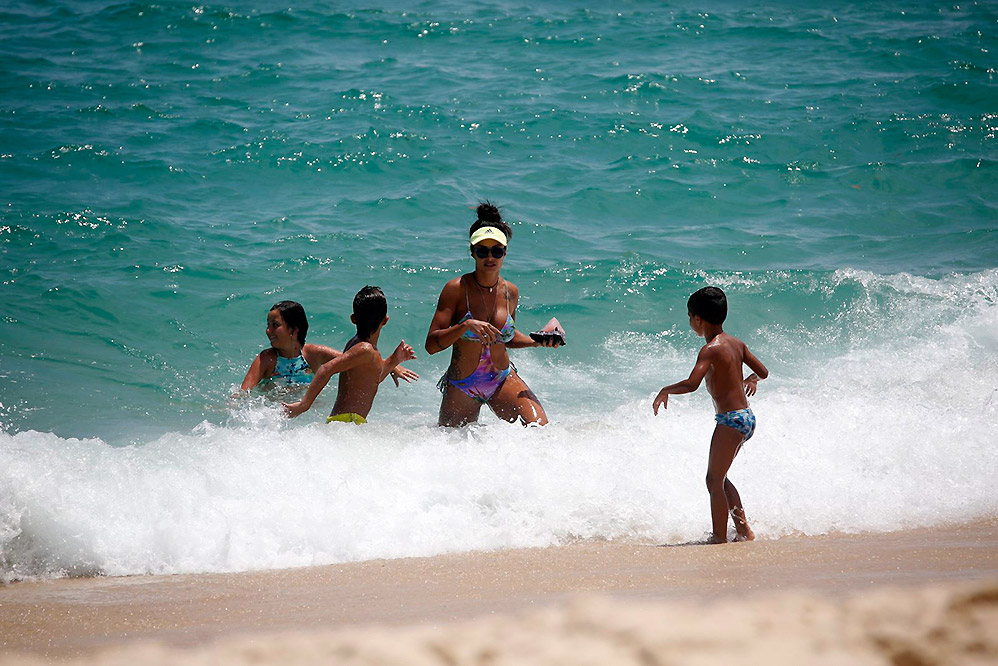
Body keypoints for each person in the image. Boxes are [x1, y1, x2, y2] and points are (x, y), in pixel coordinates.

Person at [426, 202, 565, 427]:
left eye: (496, 251)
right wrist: (464, 326)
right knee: (451, 447)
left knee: (540, 432)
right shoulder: (456, 289)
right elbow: (431, 345)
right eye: (482, 251)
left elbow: (506, 338)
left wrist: (539, 341)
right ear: (472, 252)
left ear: (505, 252)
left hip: (502, 379)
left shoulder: (510, 292)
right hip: (463, 384)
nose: (489, 257)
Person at [652, 286, 769, 544]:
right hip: (746, 419)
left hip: (730, 421)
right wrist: (752, 379)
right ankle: (743, 531)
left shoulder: (710, 349)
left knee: (713, 480)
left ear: (697, 319)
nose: (690, 322)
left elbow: (692, 384)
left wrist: (665, 390)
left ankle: (719, 537)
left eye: (689, 316)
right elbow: (763, 371)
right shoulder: (737, 344)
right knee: (721, 478)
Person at [283, 287, 417, 424]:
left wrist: (394, 360)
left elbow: (370, 382)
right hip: (347, 422)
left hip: (347, 424)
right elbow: (325, 368)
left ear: (353, 319)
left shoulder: (358, 345)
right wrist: (304, 405)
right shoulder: (365, 350)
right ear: (385, 320)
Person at [240, 300, 417, 392]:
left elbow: (355, 360)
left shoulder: (313, 354)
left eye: (274, 325)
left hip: (307, 416)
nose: (268, 330)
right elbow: (243, 394)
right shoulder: (267, 359)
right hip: (276, 416)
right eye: (268, 324)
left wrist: (393, 366)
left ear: (294, 329)